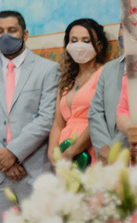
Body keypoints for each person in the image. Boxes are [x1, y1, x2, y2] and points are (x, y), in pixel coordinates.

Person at [0, 10, 59, 223]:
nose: (5, 35)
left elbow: (46, 118)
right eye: (0, 31)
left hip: (33, 172)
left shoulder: (47, 69)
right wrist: (1, 159)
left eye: (12, 30)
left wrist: (14, 153)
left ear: (25, 34)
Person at [47, 19, 108, 167]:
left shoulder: (105, 74)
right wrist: (52, 152)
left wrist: (74, 150)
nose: (79, 45)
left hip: (92, 147)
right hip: (65, 153)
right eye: (73, 41)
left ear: (99, 46)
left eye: (86, 41)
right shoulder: (66, 80)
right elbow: (58, 123)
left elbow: (102, 118)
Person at [87, 33, 127, 161]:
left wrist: (113, 149)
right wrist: (103, 147)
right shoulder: (109, 68)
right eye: (122, 25)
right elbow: (95, 112)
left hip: (134, 152)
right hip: (104, 155)